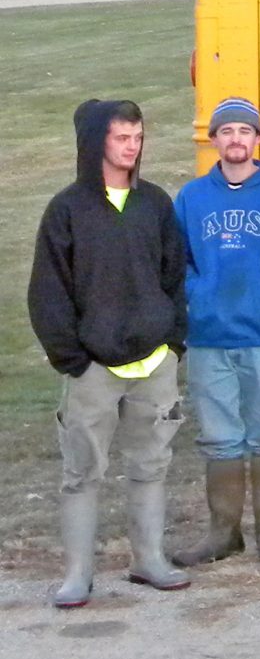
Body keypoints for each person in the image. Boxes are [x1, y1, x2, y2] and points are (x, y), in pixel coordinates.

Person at [30, 100, 191, 607]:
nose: (132, 147)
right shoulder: (66, 210)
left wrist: (172, 344)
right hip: (92, 368)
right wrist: (72, 359)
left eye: (138, 137)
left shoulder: (155, 204)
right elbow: (48, 292)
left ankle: (149, 560)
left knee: (151, 464)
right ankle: (78, 575)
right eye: (122, 137)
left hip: (154, 364)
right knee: (82, 472)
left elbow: (174, 277)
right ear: (95, 141)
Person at [170, 97, 260, 567]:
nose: (236, 139)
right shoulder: (192, 197)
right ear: (214, 139)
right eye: (227, 131)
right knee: (219, 435)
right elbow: (176, 259)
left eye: (245, 131)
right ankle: (223, 531)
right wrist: (199, 291)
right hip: (209, 333)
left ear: (258, 138)